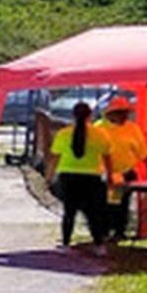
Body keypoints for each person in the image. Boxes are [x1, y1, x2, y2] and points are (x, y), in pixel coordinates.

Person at [44, 100, 111, 253]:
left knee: (69, 211)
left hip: (68, 176)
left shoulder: (63, 134)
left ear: (73, 115)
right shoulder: (99, 134)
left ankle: (66, 243)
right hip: (92, 176)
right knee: (93, 213)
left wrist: (49, 176)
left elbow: (54, 158)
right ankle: (99, 244)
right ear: (90, 115)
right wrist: (110, 175)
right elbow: (107, 157)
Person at [100, 94, 147, 242]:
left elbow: (142, 151)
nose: (124, 116)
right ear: (111, 114)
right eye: (120, 113)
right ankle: (104, 231)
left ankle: (119, 231)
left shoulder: (132, 128)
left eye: (126, 113)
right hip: (105, 173)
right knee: (106, 203)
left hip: (126, 172)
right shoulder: (99, 128)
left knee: (121, 203)